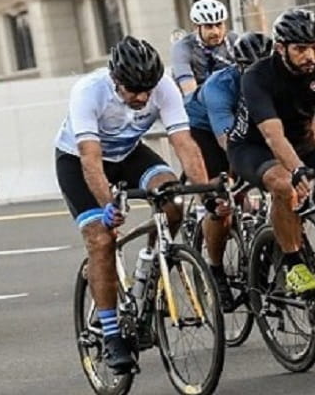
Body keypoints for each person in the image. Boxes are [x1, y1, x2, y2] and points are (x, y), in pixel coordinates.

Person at [57, 36, 216, 375]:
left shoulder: (163, 87)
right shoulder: (89, 90)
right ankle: (111, 333)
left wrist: (205, 195)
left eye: (147, 89)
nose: (142, 98)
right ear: (116, 79)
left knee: (172, 199)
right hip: (79, 160)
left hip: (129, 153)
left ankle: (152, 263)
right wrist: (109, 206)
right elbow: (90, 159)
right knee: (102, 238)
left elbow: (184, 143)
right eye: (134, 90)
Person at [234, 9, 315, 308]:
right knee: (284, 185)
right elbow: (273, 136)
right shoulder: (258, 76)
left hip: (303, 143)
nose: (311, 56)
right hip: (254, 147)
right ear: (281, 48)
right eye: (301, 49)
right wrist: (297, 171)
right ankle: (294, 265)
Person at [182, 30, 272, 298]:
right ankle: (216, 269)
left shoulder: (279, 80)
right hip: (204, 129)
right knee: (222, 198)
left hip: (244, 124)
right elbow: (228, 141)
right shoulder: (219, 86)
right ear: (237, 66)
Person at [171, 0, 238, 97]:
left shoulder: (234, 40)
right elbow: (189, 91)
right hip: (200, 101)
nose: (216, 32)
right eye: (209, 26)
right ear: (196, 27)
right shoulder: (182, 47)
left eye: (219, 25)